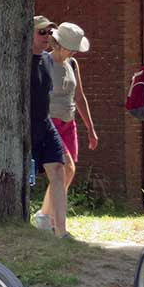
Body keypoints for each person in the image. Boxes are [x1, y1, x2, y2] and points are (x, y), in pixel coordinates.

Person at [47, 21, 99, 207]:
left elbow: (79, 96)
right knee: (66, 169)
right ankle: (45, 215)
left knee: (67, 172)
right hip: (50, 122)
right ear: (59, 44)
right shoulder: (45, 62)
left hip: (70, 122)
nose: (75, 52)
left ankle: (51, 215)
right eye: (71, 48)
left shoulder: (73, 64)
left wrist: (90, 129)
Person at [30, 16, 69, 238]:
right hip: (25, 128)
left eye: (49, 32)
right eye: (41, 32)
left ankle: (61, 230)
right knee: (25, 180)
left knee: (59, 170)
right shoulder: (21, 61)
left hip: (45, 123)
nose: (47, 36)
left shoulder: (47, 59)